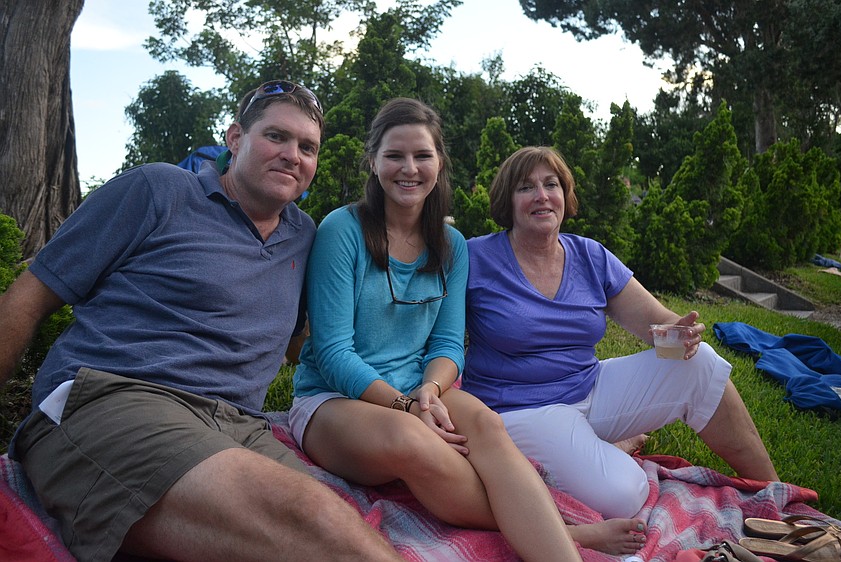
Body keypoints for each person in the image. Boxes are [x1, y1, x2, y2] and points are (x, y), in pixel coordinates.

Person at [0, 80, 401, 562]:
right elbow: (29, 297)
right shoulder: (158, 189)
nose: (292, 155)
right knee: (312, 519)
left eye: (307, 147)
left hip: (237, 427)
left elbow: (304, 346)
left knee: (343, 521)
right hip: (114, 400)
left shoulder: (303, 235)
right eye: (276, 136)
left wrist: (398, 390)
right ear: (236, 138)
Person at [289, 98, 647, 560]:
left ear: (439, 162)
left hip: (418, 391)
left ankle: (555, 547)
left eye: (422, 155)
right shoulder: (343, 230)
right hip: (333, 400)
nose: (409, 168)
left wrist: (429, 391)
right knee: (413, 441)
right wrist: (405, 407)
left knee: (486, 424)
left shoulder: (451, 245)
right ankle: (570, 534)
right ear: (373, 161)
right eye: (395, 155)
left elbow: (447, 344)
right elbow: (334, 353)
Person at [463, 146, 780, 520]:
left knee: (701, 365)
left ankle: (776, 493)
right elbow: (439, 333)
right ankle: (608, 447)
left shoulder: (589, 255)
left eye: (551, 184)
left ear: (565, 195)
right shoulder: (475, 258)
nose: (541, 196)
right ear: (507, 200)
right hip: (520, 410)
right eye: (525, 187)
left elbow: (654, 322)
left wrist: (679, 333)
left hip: (588, 386)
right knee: (624, 495)